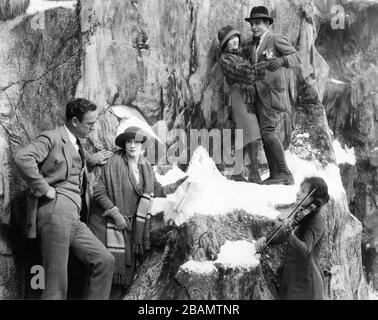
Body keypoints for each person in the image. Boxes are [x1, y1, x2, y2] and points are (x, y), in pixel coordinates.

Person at [15, 98, 115, 300]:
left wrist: (91, 160)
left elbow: (72, 160)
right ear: (75, 122)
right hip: (55, 211)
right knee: (55, 286)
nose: (92, 129)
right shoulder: (52, 137)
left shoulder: (76, 143)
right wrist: (44, 188)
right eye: (90, 124)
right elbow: (22, 158)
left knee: (105, 261)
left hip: (74, 218)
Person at [88, 126, 188, 299]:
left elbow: (154, 190)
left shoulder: (146, 167)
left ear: (143, 145)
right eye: (129, 141)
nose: (132, 145)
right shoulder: (114, 162)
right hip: (107, 227)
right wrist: (116, 214)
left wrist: (174, 187)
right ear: (124, 144)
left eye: (137, 142)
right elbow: (99, 193)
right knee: (104, 274)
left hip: (129, 230)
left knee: (123, 278)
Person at [244, 6, 303, 185]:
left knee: (268, 133)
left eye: (258, 23)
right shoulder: (254, 45)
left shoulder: (275, 39)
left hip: (272, 96)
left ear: (267, 23)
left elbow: (297, 57)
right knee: (265, 133)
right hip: (259, 96)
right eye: (252, 24)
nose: (254, 27)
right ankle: (276, 174)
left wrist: (282, 60)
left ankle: (284, 173)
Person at [255, 176, 330, 300]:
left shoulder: (317, 221)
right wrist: (266, 240)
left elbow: (305, 249)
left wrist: (290, 232)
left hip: (306, 285)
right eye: (299, 190)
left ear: (314, 198)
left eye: (303, 191)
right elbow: (284, 236)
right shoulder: (304, 214)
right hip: (292, 280)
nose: (298, 193)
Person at [218, 25, 265, 183]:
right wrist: (257, 70)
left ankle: (239, 172)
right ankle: (253, 172)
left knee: (246, 133)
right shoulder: (226, 58)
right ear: (225, 44)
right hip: (238, 95)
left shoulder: (243, 54)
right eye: (230, 39)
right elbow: (242, 73)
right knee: (251, 131)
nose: (234, 40)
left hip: (248, 97)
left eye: (235, 37)